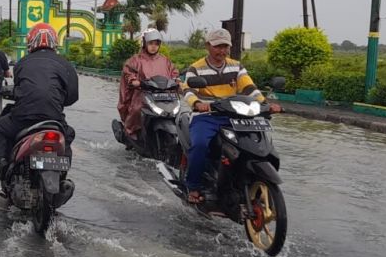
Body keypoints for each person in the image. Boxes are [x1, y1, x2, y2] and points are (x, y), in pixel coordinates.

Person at [181, 28, 281, 205]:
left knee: (255, 143)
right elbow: (188, 91)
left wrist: (265, 104)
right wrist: (198, 104)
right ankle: (194, 186)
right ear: (208, 46)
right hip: (208, 115)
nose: (222, 51)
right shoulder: (195, 68)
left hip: (235, 114)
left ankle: (246, 179)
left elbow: (249, 88)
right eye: (217, 46)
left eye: (225, 47)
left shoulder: (236, 66)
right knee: (200, 145)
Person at [0, 23, 78, 194]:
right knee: (69, 135)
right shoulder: (66, 65)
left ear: (31, 43)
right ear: (54, 42)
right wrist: (57, 100)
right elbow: (72, 96)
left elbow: (21, 89)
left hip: (23, 118)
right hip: (54, 119)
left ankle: (4, 169)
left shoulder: (22, 63)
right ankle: (62, 176)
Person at [117, 28, 180, 137]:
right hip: (143, 93)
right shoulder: (135, 60)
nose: (153, 46)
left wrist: (177, 79)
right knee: (137, 109)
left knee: (177, 111)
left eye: (156, 44)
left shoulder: (164, 60)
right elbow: (128, 72)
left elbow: (173, 72)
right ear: (144, 43)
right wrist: (134, 81)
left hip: (164, 94)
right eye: (150, 43)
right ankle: (132, 132)